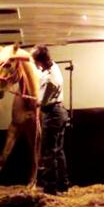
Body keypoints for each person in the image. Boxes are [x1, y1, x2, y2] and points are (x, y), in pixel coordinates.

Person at [31, 44, 70, 195]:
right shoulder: (53, 67)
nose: (34, 63)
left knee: (49, 153)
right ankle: (63, 185)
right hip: (60, 111)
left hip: (53, 113)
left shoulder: (50, 79)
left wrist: (36, 100)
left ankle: (50, 189)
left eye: (35, 60)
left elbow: (43, 101)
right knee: (58, 151)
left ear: (39, 61)